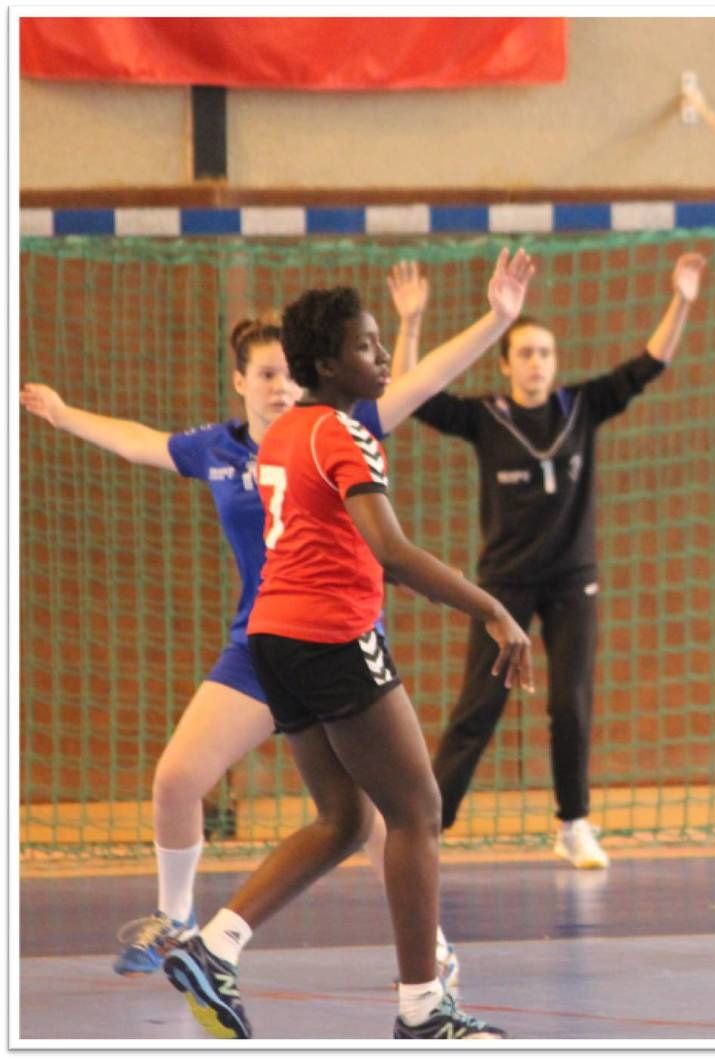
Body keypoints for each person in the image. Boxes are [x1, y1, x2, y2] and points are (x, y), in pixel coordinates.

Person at [19, 252, 530, 992]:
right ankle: (184, 925)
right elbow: (136, 439)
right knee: (190, 780)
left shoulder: (333, 426)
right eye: (264, 374)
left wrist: (494, 319)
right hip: (274, 641)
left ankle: (414, 949)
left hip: (312, 636)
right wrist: (64, 414)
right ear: (242, 381)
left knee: (365, 814)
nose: (278, 385)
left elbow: (420, 379)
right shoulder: (230, 447)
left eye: (285, 374)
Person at [161, 278, 537, 1040]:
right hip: (330, 636)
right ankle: (424, 1007)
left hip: (272, 638)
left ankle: (214, 944)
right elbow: (391, 551)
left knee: (343, 818)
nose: (384, 356)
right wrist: (492, 609)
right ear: (329, 364)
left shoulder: (283, 433)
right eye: (367, 345)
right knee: (418, 810)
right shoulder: (341, 433)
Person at [414, 252, 707, 870]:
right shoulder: (484, 418)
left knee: (570, 702)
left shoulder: (581, 407)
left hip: (572, 581)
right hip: (504, 584)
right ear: (505, 363)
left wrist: (681, 301)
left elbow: (649, 364)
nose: (536, 362)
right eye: (525, 353)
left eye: (545, 353)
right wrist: (411, 323)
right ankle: (429, 825)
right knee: (479, 707)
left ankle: (574, 824)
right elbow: (416, 394)